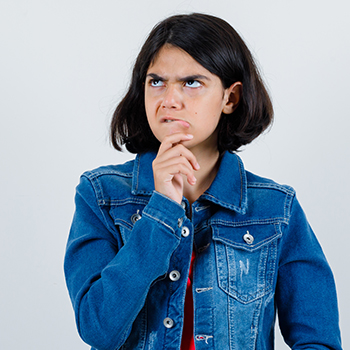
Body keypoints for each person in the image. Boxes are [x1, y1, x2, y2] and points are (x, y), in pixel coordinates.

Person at [64, 13, 342, 350]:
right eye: (156, 82)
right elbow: (97, 329)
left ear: (230, 98)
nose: (170, 99)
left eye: (191, 83)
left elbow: (318, 339)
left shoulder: (276, 209)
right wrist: (162, 209)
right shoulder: (102, 195)